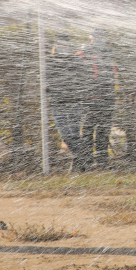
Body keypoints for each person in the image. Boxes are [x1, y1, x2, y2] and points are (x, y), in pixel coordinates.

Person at [47, 33, 90, 172]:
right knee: (65, 134)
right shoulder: (49, 61)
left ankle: (78, 165)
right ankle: (81, 157)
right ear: (56, 46)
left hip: (74, 102)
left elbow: (83, 78)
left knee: (75, 134)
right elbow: (45, 78)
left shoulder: (76, 61)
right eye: (60, 45)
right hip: (57, 103)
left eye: (66, 45)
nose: (63, 48)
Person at [78, 28, 117, 169]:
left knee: (103, 133)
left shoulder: (107, 54)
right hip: (90, 99)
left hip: (107, 100)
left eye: (103, 38)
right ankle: (85, 163)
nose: (101, 41)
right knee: (87, 132)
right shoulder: (84, 53)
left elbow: (112, 75)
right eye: (97, 38)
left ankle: (102, 163)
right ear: (91, 39)